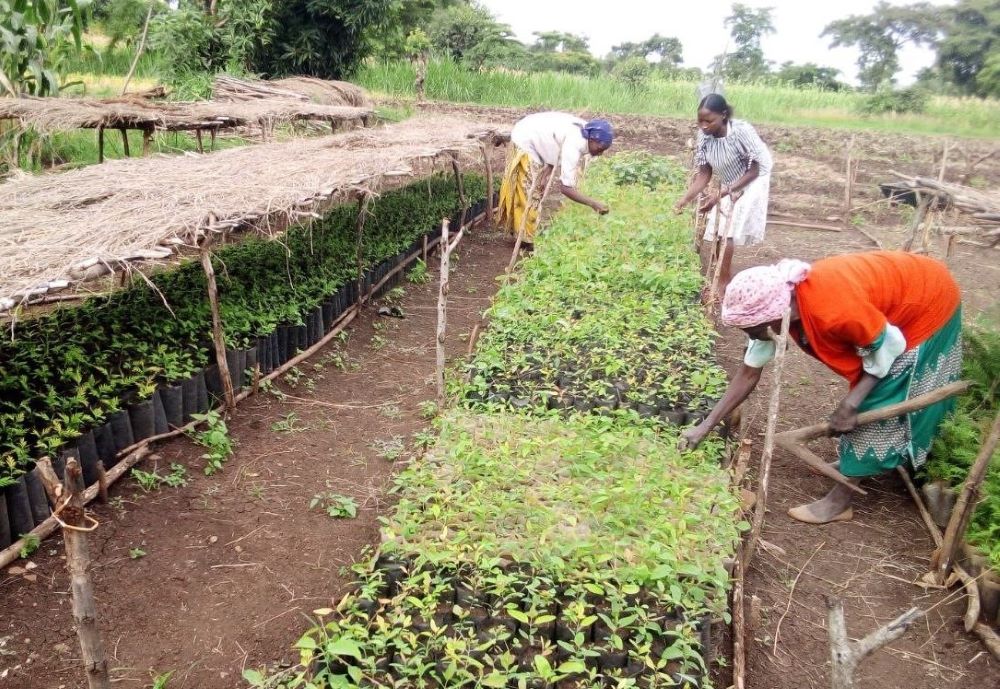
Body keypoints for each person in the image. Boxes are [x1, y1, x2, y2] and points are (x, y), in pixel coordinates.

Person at [681, 251, 963, 524]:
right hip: (898, 299)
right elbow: (748, 373)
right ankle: (858, 462)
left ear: (780, 312)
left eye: (753, 330)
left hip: (927, 304)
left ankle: (840, 500)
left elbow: (889, 346)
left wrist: (851, 403)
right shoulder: (778, 308)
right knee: (867, 391)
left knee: (882, 394)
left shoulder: (833, 308)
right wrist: (705, 426)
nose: (752, 336)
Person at [674, 94, 773, 299]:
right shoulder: (705, 137)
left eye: (708, 121)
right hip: (730, 181)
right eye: (700, 120)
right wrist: (685, 199)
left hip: (754, 179)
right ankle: (722, 275)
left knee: (729, 228)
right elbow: (704, 174)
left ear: (724, 115)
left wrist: (721, 194)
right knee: (717, 230)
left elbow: (754, 170)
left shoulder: (741, 132)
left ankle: (723, 281)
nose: (703, 125)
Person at [497, 111, 614, 249]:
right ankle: (526, 239)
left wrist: (546, 172)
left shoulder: (586, 131)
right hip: (525, 139)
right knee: (529, 192)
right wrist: (593, 203)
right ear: (592, 140)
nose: (601, 153)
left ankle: (522, 233)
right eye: (600, 148)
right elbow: (565, 188)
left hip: (534, 134)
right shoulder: (575, 144)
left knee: (535, 189)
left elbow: (554, 144)